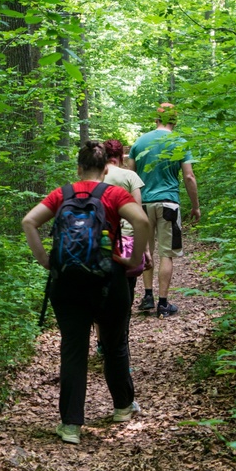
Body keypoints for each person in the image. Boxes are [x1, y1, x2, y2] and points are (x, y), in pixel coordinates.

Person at [22, 141, 150, 445]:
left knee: (74, 349)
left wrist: (45, 260)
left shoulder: (62, 194)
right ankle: (122, 407)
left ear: (79, 168)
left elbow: (29, 221)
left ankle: (70, 426)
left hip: (66, 283)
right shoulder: (114, 193)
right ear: (106, 168)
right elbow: (142, 221)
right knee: (114, 343)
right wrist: (135, 260)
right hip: (109, 281)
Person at [128, 103, 200, 318]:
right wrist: (195, 206)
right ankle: (163, 303)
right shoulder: (179, 142)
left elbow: (130, 176)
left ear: (156, 119)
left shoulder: (139, 142)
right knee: (166, 253)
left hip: (143, 204)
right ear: (174, 120)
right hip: (169, 203)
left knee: (146, 250)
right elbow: (189, 176)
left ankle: (147, 296)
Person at [96, 139, 150, 355]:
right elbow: (139, 215)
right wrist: (145, 250)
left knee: (100, 294)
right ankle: (120, 343)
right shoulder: (130, 177)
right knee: (124, 297)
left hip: (100, 240)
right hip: (126, 241)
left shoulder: (95, 176)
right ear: (121, 156)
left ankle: (101, 343)